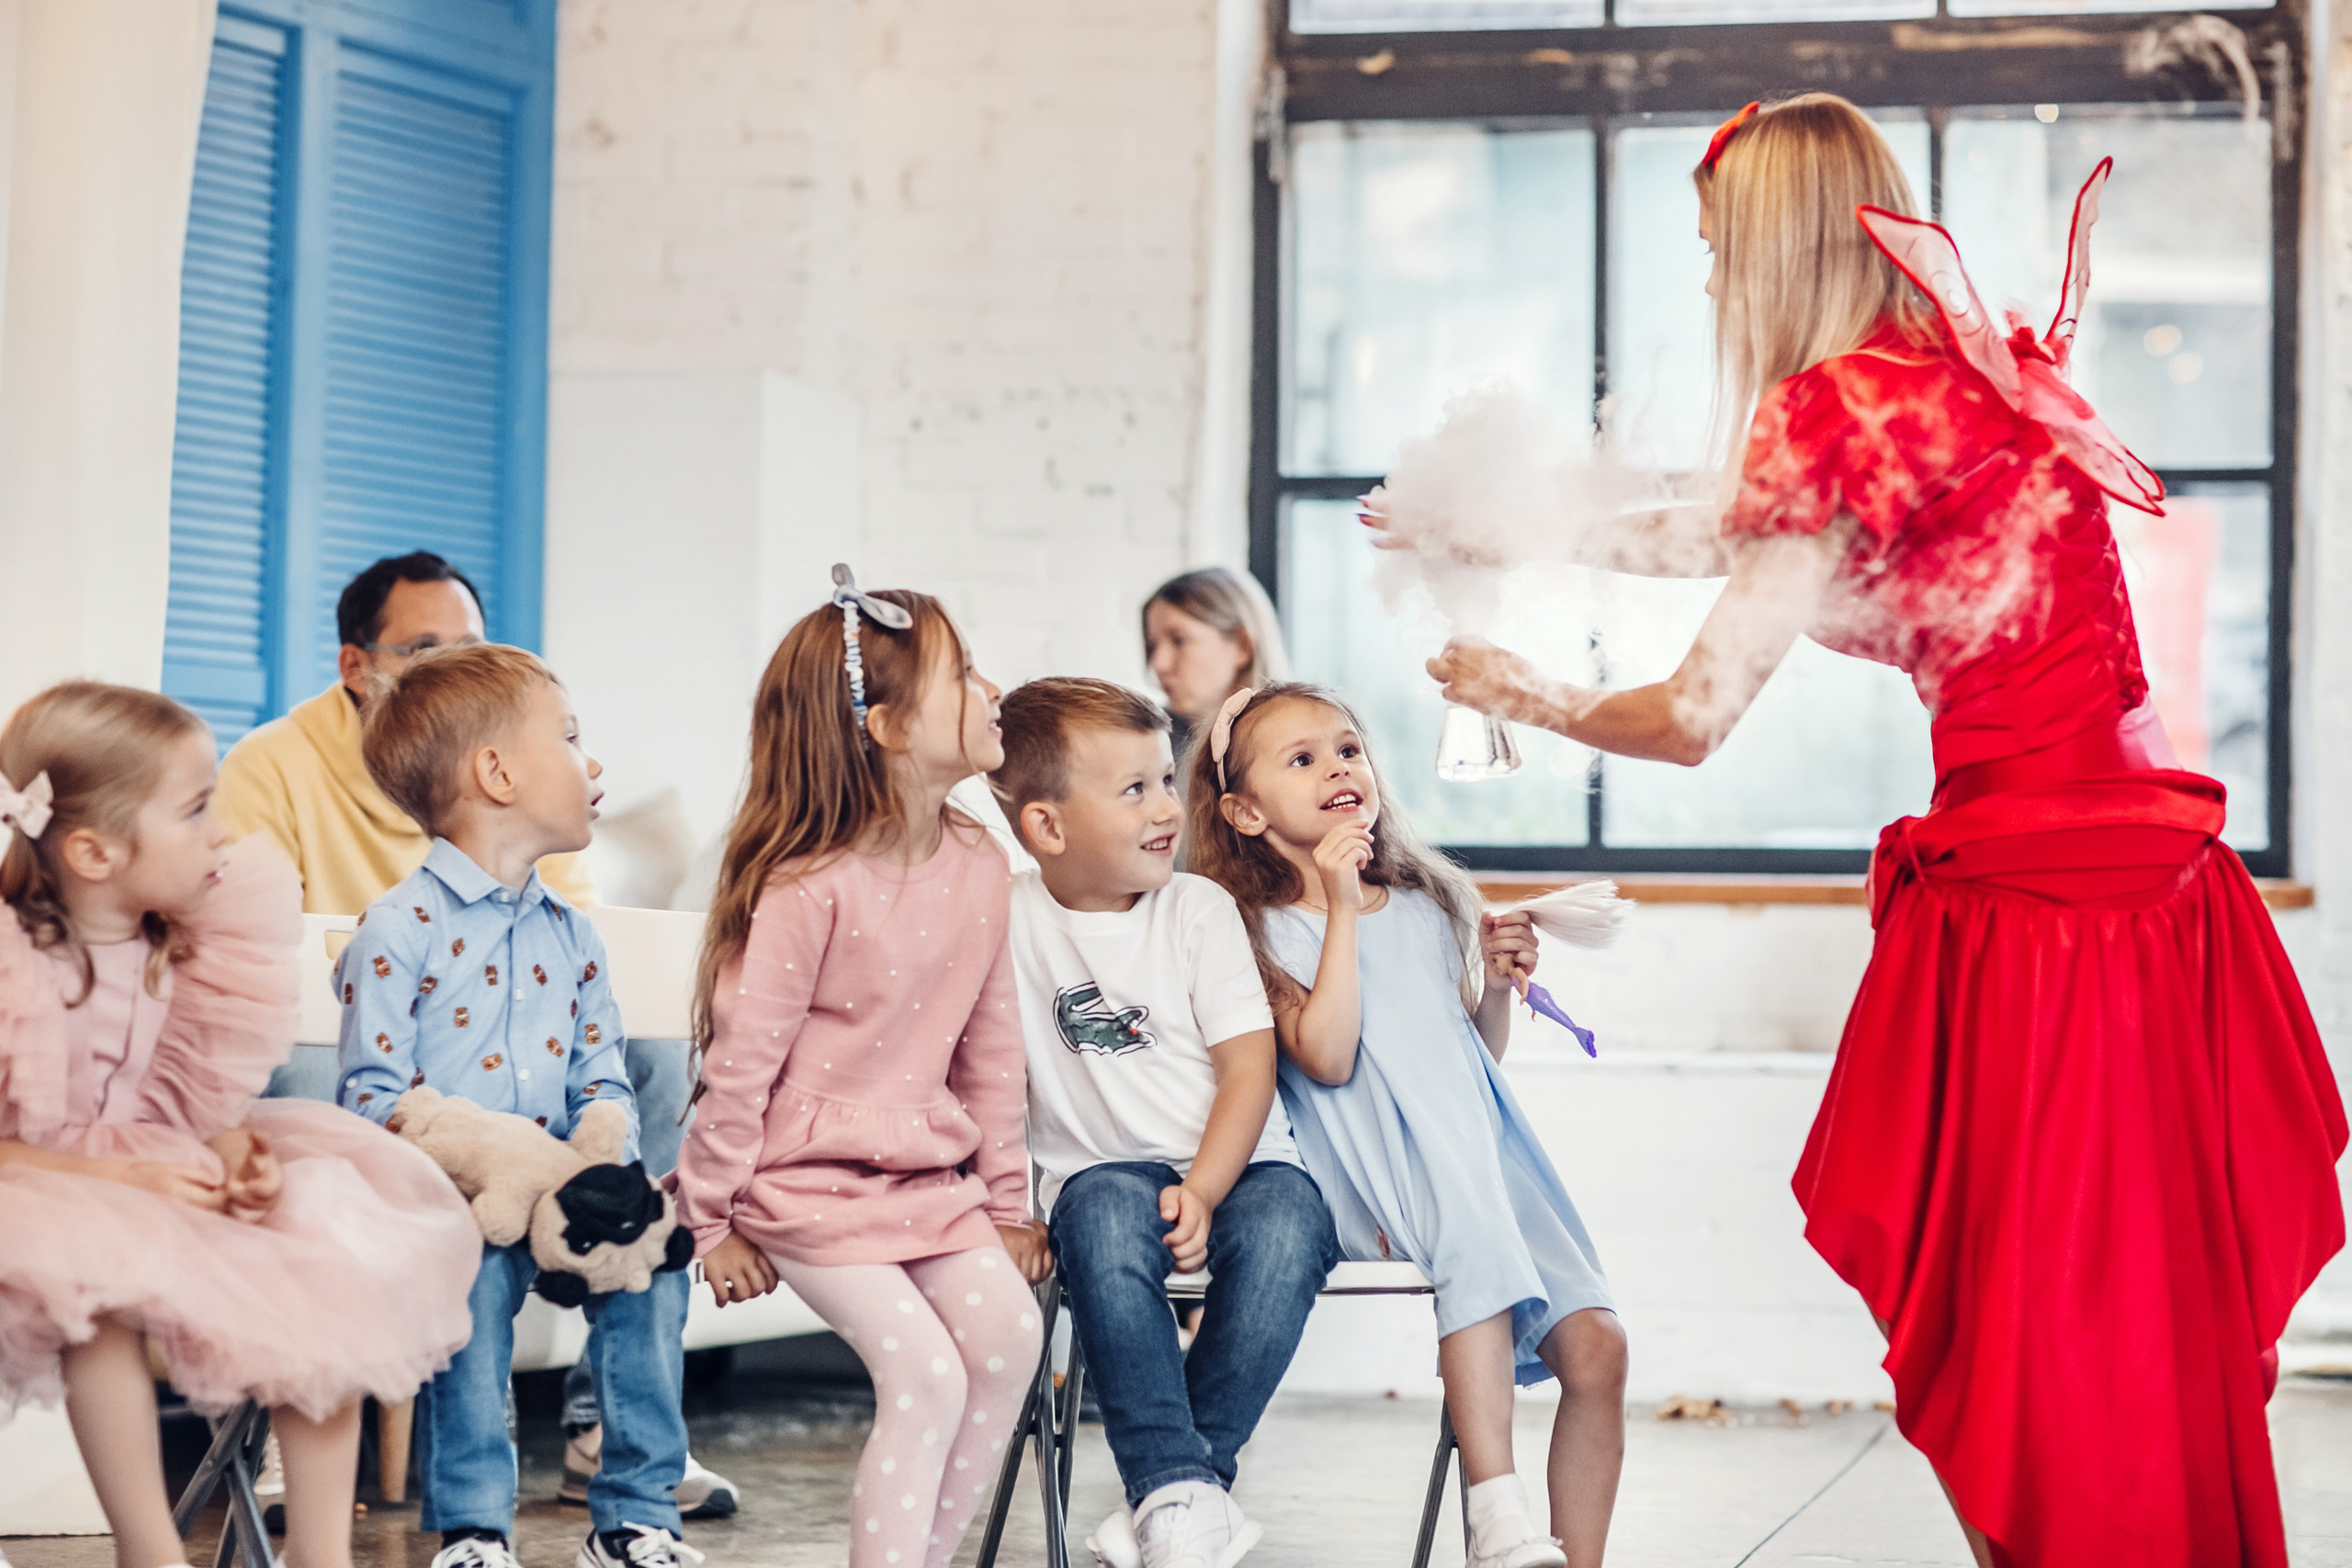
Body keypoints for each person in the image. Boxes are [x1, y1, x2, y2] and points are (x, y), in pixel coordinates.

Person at [1419, 95, 2346, 1568]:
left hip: (2039, 922)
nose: (1715, 285)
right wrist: (1529, 521)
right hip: (2162, 902)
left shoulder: (1834, 404)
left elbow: (1691, 713)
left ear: (1781, 246)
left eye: (1722, 252)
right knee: (2137, 1317)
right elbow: (1751, 527)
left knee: (2031, 1342)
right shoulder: (1968, 378)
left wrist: (1519, 685)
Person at [214, 550, 724, 1517]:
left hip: (516, 1076)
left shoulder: (553, 890)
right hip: (352, 1039)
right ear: (356, 666)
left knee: (651, 1070)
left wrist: (593, 1141)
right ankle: (306, 1404)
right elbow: (256, 949)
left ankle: (603, 1427)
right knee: (309, 1071)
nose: (454, 663)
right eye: (423, 648)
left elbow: (572, 951)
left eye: (472, 645)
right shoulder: (271, 767)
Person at [0, 682, 481, 1568]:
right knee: (94, 1298)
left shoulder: (191, 941)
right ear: (93, 851)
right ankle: (148, 1548)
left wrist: (234, 1151)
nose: (220, 831)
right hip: (47, 1188)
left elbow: (192, 1105)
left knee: (326, 1253)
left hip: (164, 1170)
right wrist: (124, 1181)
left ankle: (321, 1553)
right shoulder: (14, 965)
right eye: (193, 809)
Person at [1188, 683, 1626, 1568]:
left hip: (1479, 1151)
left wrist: (1498, 986)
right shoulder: (1247, 929)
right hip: (1374, 1168)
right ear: (1242, 810)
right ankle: (1495, 1512)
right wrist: (1342, 909)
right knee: (1469, 1232)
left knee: (1600, 1348)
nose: (1337, 768)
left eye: (1348, 748)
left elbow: (1468, 1058)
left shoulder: (1429, 901)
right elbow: (1328, 1055)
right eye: (1301, 759)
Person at [672, 569, 1040, 1568]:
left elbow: (991, 1051)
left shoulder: (977, 862)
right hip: (801, 1183)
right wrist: (710, 1222)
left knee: (1008, 1344)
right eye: (962, 673)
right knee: (923, 1375)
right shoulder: (806, 884)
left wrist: (1007, 1205)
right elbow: (741, 1068)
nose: (991, 688)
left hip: (926, 1176)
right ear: (883, 725)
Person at [333, 645, 695, 1568]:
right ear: (495, 773)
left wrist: (604, 1148)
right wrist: (487, 1154)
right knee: (470, 1289)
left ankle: (637, 1514)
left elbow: (602, 1073)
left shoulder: (575, 935)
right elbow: (373, 1096)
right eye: (571, 739)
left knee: (652, 1272)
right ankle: (473, 1526)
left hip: (568, 1195)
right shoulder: (397, 930)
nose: (594, 763)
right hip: (458, 1206)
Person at [989, 677, 1340, 1568]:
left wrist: (1206, 1186)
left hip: (1240, 1164)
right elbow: (975, 1077)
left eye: (1162, 781)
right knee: (1103, 1217)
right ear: (1047, 828)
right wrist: (995, 1208)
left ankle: (1177, 1489)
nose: (1164, 809)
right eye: (1131, 789)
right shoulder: (1006, 918)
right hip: (1102, 1176)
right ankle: (1183, 1491)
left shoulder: (1197, 910)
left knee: (1293, 1229)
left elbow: (1247, 1068)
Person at [1141, 569, 1289, 760]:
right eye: (1152, 646)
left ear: (1241, 646)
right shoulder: (1150, 742)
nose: (1158, 665)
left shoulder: (1299, 746)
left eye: (1179, 640)